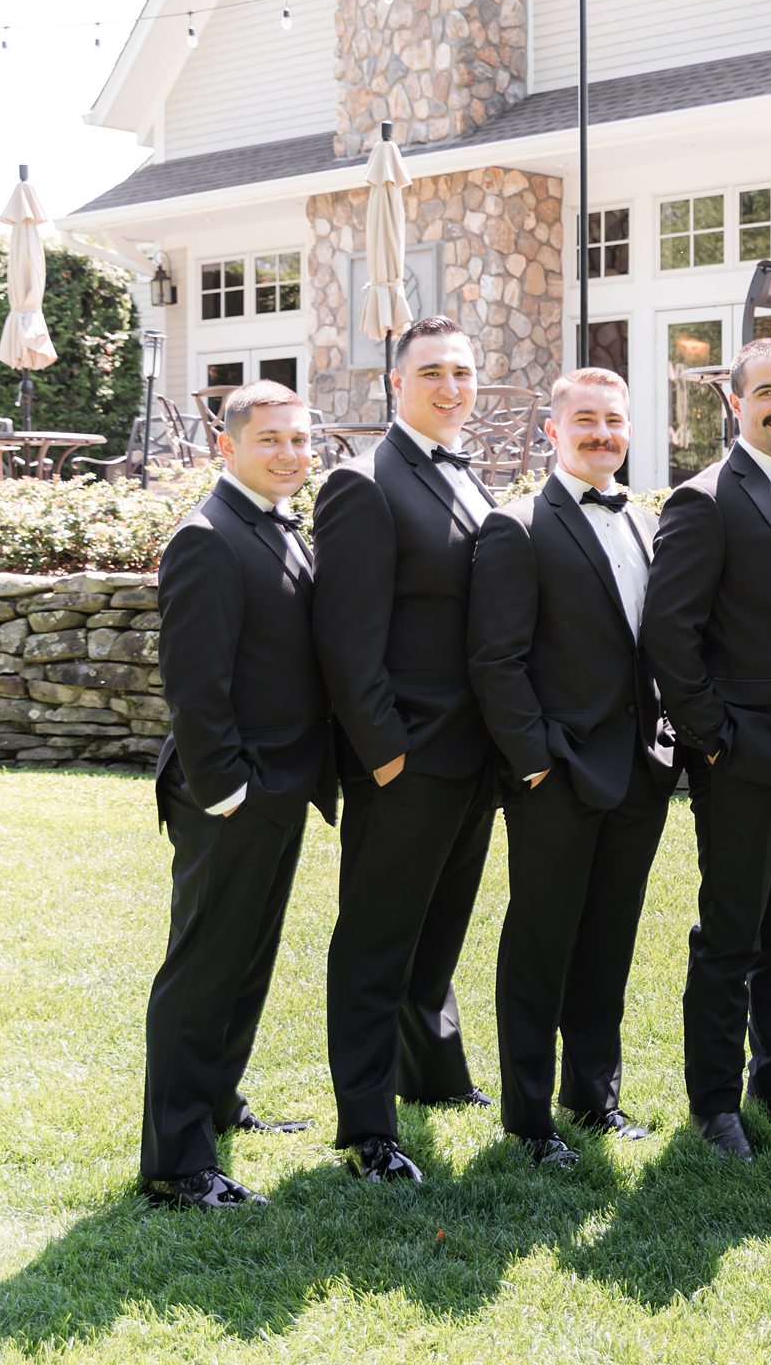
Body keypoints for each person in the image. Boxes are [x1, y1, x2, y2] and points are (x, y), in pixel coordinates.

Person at [641, 336, 771, 1160]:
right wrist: (714, 741)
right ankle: (714, 1103)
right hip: (741, 756)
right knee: (729, 933)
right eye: (764, 390)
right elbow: (671, 632)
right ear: (735, 403)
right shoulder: (705, 500)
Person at [468, 367, 676, 1169]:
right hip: (555, 776)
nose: (601, 434)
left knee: (607, 942)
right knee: (541, 944)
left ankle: (593, 1098)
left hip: (639, 772)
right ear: (552, 431)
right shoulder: (517, 527)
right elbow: (496, 661)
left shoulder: (647, 524)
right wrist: (533, 767)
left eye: (614, 421)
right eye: (584, 420)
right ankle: (528, 1120)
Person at [313, 315, 498, 1184]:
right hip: (406, 760)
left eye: (462, 371)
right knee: (378, 942)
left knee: (438, 935)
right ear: (397, 383)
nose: (451, 387)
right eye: (432, 372)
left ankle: (435, 1077)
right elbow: (347, 640)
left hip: (474, 757)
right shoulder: (366, 484)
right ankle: (365, 1126)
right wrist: (384, 754)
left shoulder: (471, 477)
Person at [140, 381, 335, 1208]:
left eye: (299, 439)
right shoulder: (207, 537)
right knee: (202, 971)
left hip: (279, 787)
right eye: (272, 441)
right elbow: (194, 685)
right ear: (228, 446)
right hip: (232, 795)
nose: (290, 454)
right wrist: (228, 795)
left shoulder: (276, 523)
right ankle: (179, 1165)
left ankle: (217, 1101)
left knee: (246, 960)